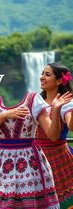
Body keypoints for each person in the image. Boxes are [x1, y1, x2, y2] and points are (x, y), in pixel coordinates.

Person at [0, 90, 71, 209]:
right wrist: (4, 116)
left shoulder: (34, 100)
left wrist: (56, 109)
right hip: (2, 163)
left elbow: (53, 136)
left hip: (30, 163)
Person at [36, 62, 73, 208]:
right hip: (36, 159)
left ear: (59, 81)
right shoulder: (36, 102)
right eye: (42, 73)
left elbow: (71, 125)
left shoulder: (67, 104)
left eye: (47, 74)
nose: (42, 77)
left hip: (59, 161)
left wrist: (57, 108)